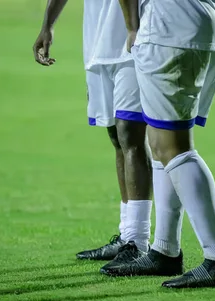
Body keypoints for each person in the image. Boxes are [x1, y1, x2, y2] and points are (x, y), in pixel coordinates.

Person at [99, 0, 215, 288]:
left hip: (168, 25)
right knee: (160, 140)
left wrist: (132, 29)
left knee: (172, 147)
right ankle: (164, 250)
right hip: (209, 17)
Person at [33, 0, 153, 261]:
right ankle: (126, 234)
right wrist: (48, 25)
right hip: (97, 43)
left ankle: (138, 240)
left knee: (130, 134)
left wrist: (133, 28)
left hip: (132, 42)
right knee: (115, 137)